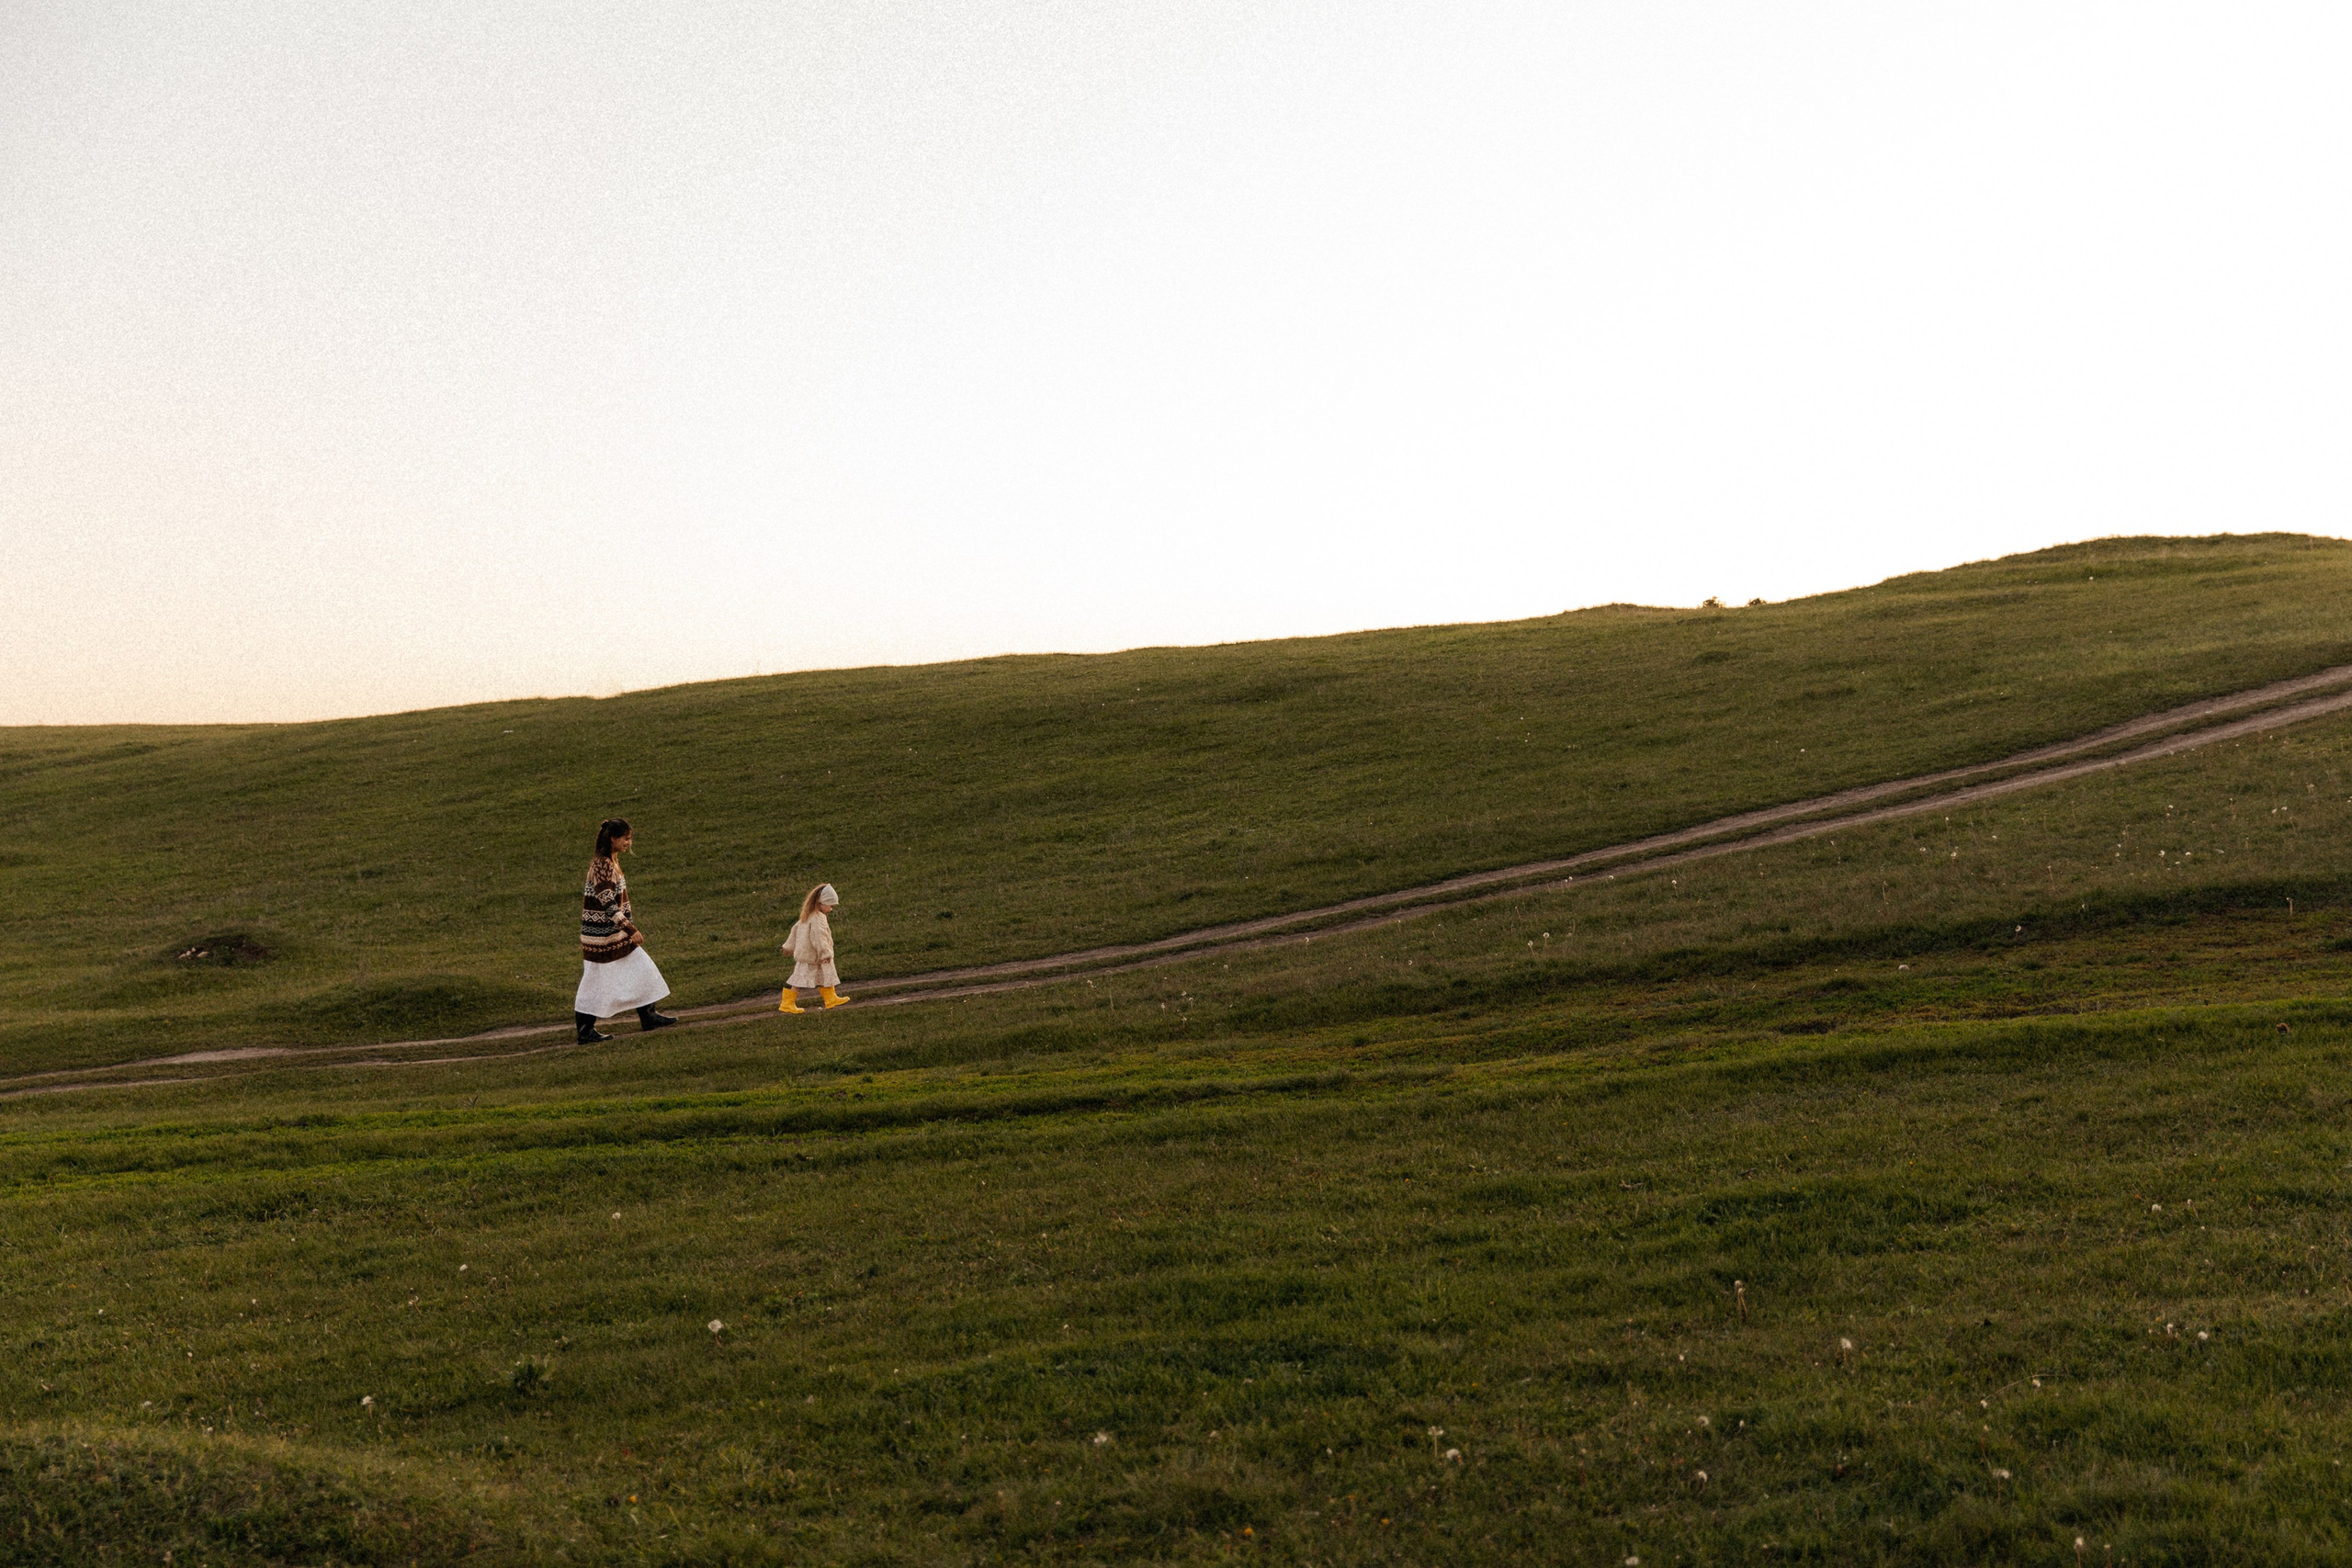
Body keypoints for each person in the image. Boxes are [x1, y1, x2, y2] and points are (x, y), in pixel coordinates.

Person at [574, 818, 678, 1043]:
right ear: (613, 839)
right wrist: (630, 929)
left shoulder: (610, 861)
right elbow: (608, 904)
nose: (628, 843)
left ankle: (648, 1016)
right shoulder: (602, 865)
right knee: (595, 980)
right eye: (626, 838)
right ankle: (585, 1032)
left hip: (613, 933)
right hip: (601, 936)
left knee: (641, 967)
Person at [778, 883, 851, 1011]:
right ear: (821, 903)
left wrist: (788, 947)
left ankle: (830, 998)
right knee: (800, 980)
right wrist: (826, 954)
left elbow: (795, 931)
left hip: (808, 955)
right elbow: (819, 937)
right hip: (814, 956)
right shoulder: (818, 918)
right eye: (831, 906)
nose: (831, 909)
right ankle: (787, 1004)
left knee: (825, 975)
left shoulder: (808, 916)